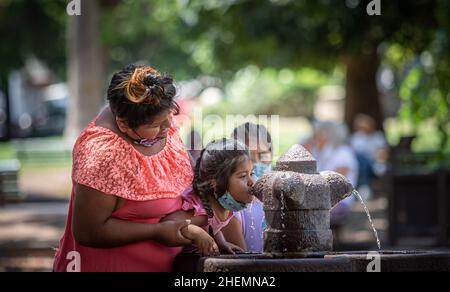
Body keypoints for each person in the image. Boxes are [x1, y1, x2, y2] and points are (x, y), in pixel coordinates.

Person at [53, 65, 216, 272]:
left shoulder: (157, 120)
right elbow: (87, 231)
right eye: (157, 125)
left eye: (169, 116)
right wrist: (156, 231)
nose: (169, 126)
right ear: (123, 124)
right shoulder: (103, 155)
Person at [164, 138, 256, 254]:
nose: (251, 181)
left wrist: (221, 243)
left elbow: (214, 226)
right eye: (243, 176)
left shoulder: (223, 207)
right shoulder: (202, 212)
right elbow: (168, 224)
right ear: (216, 183)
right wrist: (197, 233)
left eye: (251, 173)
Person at [221, 123, 272, 253]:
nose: (255, 163)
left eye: (262, 155)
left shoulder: (279, 199)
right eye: (248, 157)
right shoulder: (232, 210)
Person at [304, 121, 359, 240]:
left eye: (319, 134)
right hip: (320, 199)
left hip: (340, 201)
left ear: (330, 135)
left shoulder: (343, 152)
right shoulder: (319, 152)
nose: (315, 137)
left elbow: (335, 182)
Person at [350, 114, 389, 198]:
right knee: (361, 160)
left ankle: (364, 188)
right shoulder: (356, 138)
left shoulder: (378, 136)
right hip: (360, 164)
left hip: (375, 163)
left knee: (364, 161)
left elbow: (383, 154)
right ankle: (364, 188)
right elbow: (352, 154)